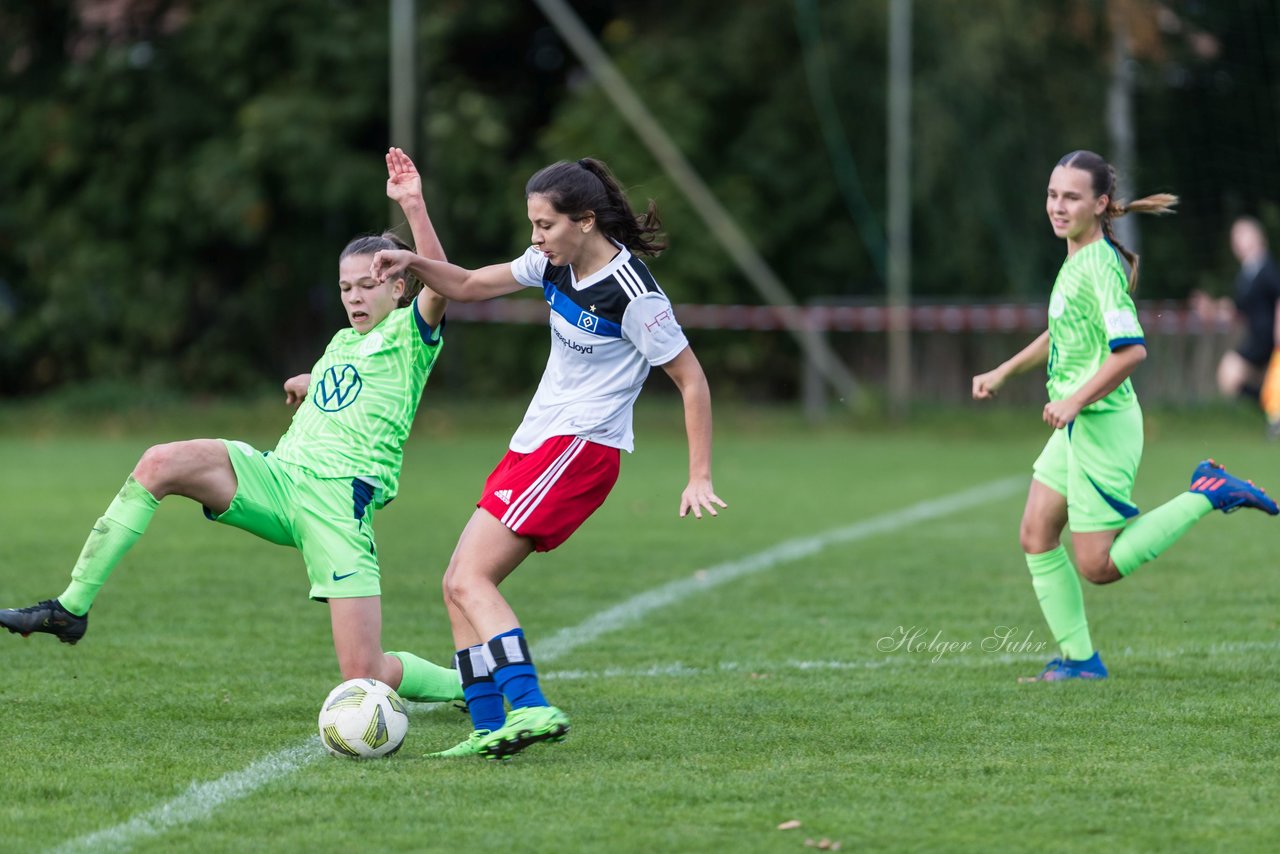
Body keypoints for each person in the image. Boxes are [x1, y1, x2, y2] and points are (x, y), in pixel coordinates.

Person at [0, 148, 466, 706]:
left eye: (369, 283)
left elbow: (443, 285)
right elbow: (344, 385)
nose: (355, 296)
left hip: (339, 505)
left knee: (364, 674)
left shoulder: (412, 336)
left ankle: (466, 687)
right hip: (277, 477)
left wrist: (412, 207)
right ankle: (70, 608)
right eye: (345, 288)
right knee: (159, 462)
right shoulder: (343, 341)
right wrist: (308, 382)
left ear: (399, 286)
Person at [370, 157, 726, 759]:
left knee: (469, 578)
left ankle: (530, 707)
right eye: (532, 225)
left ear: (584, 222)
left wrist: (698, 475)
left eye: (544, 225)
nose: (535, 238)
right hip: (538, 442)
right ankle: (488, 727)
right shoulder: (552, 265)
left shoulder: (634, 294)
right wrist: (413, 255)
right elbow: (467, 284)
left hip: (581, 449)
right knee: (454, 583)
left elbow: (692, 380)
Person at [971, 150, 1278, 683]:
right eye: (1052, 194)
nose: (1058, 206)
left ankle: (1207, 492)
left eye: (1071, 197)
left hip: (1102, 427)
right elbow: (1061, 332)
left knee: (1097, 566)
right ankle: (1080, 662)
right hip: (1078, 425)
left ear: (1100, 204)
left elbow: (1131, 350)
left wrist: (1074, 401)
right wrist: (1003, 371)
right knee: (1035, 533)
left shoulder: (1099, 268)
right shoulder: (1076, 259)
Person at [1190, 216, 1280, 402]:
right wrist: (1212, 309)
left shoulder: (1267, 268)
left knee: (1230, 372)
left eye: (1243, 234)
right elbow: (1235, 310)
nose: (1238, 241)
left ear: (1258, 237)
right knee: (1234, 377)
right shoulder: (1246, 275)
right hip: (1258, 339)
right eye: (1235, 237)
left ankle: (1273, 410)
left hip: (1269, 340)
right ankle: (1273, 411)